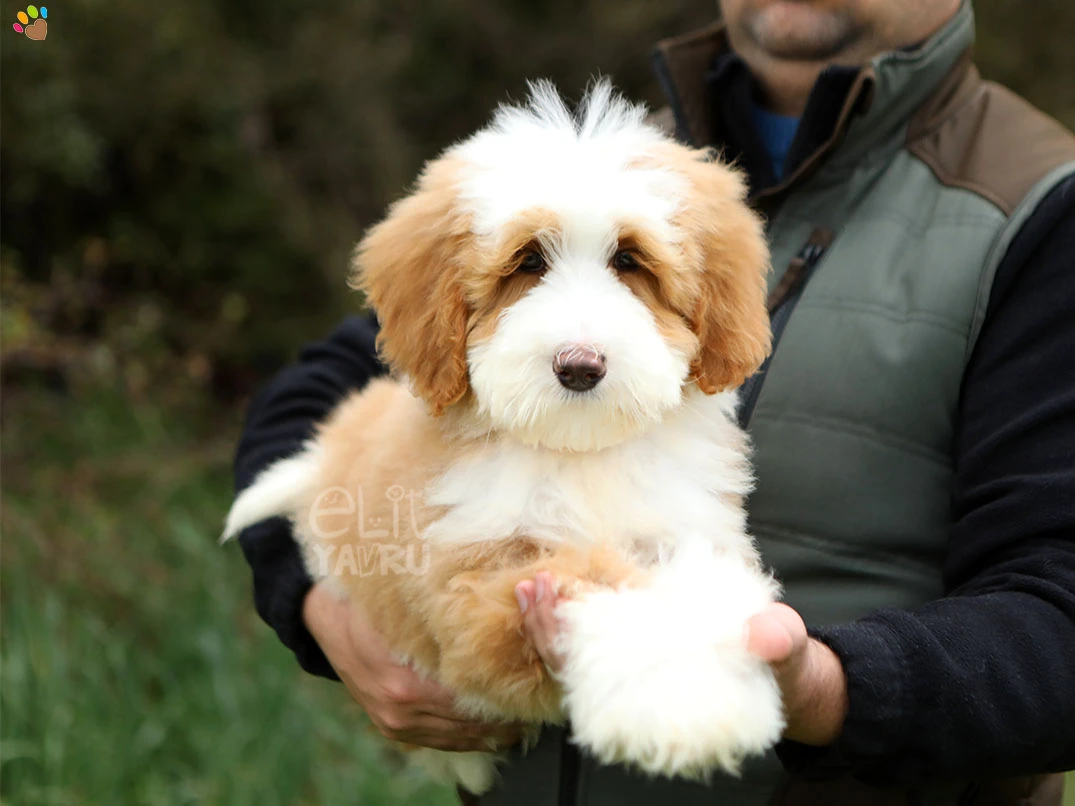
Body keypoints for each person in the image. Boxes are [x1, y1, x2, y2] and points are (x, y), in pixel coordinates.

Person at [230, 0, 1075, 803]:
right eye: (531, 268)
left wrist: (823, 689)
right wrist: (326, 601)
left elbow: (1059, 619)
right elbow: (313, 406)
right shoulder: (584, 160)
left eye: (631, 268)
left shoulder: (1042, 210)